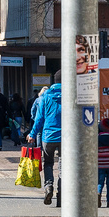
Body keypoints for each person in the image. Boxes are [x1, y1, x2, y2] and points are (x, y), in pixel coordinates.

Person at [29, 73, 64, 206]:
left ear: (53, 81)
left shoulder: (45, 96)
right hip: (66, 137)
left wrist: (32, 134)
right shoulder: (70, 95)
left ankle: (49, 186)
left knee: (48, 163)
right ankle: (61, 194)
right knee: (63, 166)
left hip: (48, 136)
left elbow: (39, 119)